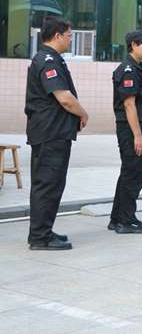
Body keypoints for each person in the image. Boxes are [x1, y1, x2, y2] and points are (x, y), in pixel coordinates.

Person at [25, 15, 88, 251]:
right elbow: (65, 98)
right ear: (57, 35)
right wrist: (83, 113)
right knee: (47, 185)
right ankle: (40, 237)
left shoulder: (51, 59)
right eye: (69, 35)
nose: (71, 39)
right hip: (50, 133)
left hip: (54, 132)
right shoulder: (48, 60)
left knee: (51, 185)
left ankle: (43, 231)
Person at [109, 29, 142, 235]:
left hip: (139, 129)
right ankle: (125, 220)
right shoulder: (128, 70)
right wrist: (138, 135)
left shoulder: (138, 69)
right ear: (133, 45)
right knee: (133, 175)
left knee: (129, 173)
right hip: (131, 130)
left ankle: (118, 218)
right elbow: (129, 105)